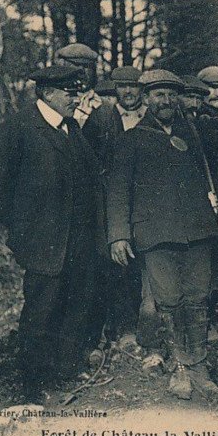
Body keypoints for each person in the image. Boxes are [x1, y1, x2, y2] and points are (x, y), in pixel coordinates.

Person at [107, 69, 218, 400]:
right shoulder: (132, 139)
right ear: (146, 98)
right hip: (155, 235)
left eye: (170, 94)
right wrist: (118, 234)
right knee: (169, 301)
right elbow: (117, 188)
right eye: (158, 94)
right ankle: (178, 367)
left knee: (197, 298)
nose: (165, 100)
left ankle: (198, 366)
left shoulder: (195, 131)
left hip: (198, 232)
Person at [0, 65, 101, 402]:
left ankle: (65, 370)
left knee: (75, 305)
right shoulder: (18, 127)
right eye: (69, 93)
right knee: (41, 311)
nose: (76, 99)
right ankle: (33, 386)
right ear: (47, 93)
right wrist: (22, 228)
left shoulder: (71, 128)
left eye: (77, 92)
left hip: (78, 240)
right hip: (43, 242)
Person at [83, 66, 150, 345]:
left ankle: (145, 325)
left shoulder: (150, 117)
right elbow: (86, 157)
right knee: (117, 261)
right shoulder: (101, 118)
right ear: (115, 89)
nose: (128, 92)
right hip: (112, 200)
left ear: (141, 89)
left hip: (146, 201)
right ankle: (120, 328)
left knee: (146, 262)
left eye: (133, 86)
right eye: (122, 86)